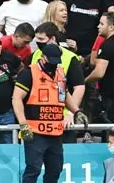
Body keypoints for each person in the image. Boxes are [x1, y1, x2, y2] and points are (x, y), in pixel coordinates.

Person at [12, 42, 87, 183]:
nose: (54, 64)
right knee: (33, 169)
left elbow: (64, 95)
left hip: (56, 133)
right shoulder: (29, 73)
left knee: (55, 169)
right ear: (43, 57)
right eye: (51, 61)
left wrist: (76, 111)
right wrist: (23, 124)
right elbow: (16, 98)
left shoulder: (60, 73)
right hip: (35, 132)